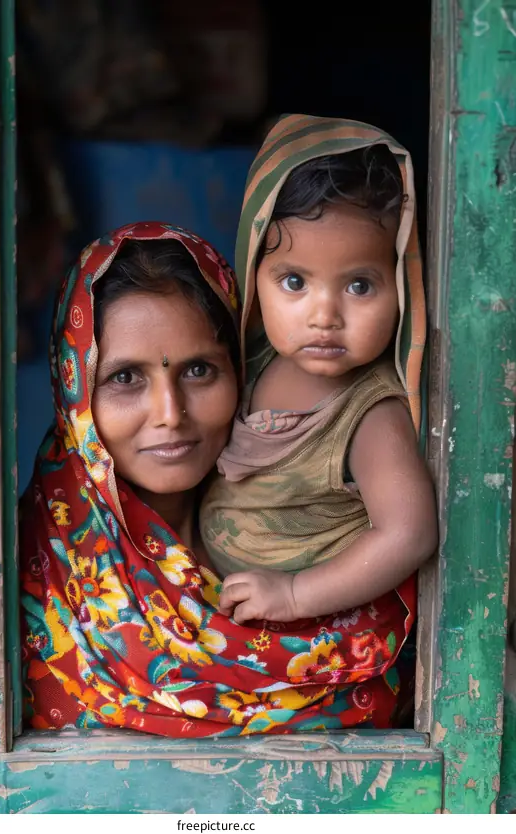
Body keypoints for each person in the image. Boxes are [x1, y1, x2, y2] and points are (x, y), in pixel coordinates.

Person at [21, 220, 417, 735]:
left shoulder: (330, 536)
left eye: (199, 370)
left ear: (240, 369)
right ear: (74, 389)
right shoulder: (34, 571)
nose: (170, 412)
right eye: (125, 378)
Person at [200, 115, 437, 634]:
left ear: (402, 287)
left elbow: (409, 534)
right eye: (293, 281)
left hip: (313, 634)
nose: (324, 315)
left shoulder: (370, 412)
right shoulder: (252, 362)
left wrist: (292, 593)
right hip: (234, 611)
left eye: (358, 286)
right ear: (254, 274)